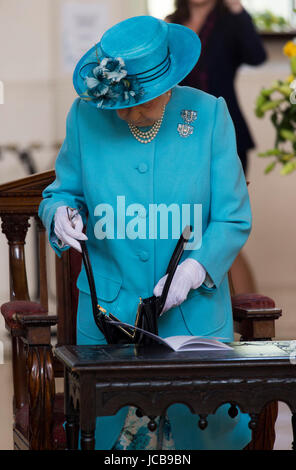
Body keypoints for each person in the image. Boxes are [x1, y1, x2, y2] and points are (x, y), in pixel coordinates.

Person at [39, 15, 252, 450]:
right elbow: (61, 193)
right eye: (121, 102)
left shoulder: (210, 115)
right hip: (108, 321)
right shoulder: (85, 116)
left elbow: (232, 218)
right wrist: (60, 213)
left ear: (170, 83)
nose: (129, 112)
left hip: (193, 320)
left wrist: (194, 271)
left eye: (145, 100)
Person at [167, 0, 267, 295]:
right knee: (188, 229)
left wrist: (236, 5)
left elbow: (258, 55)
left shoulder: (229, 21)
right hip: (179, 138)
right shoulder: (172, 22)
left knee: (222, 228)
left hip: (225, 137)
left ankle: (248, 318)